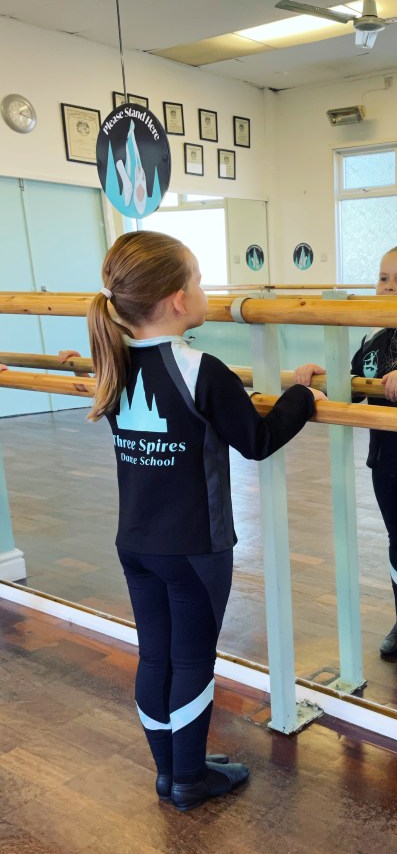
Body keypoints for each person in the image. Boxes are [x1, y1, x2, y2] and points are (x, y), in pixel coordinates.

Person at [87, 230, 323, 811]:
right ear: (174, 299)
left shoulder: (114, 363)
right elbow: (258, 440)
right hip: (195, 549)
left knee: (157, 655)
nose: (203, 290)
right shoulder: (202, 369)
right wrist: (301, 396)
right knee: (191, 659)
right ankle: (190, 780)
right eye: (197, 279)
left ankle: (170, 771)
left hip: (136, 544)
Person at [294, 243, 397, 662]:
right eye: (383, 278)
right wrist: (319, 374)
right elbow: (350, 382)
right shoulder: (373, 338)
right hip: (384, 459)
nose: (388, 287)